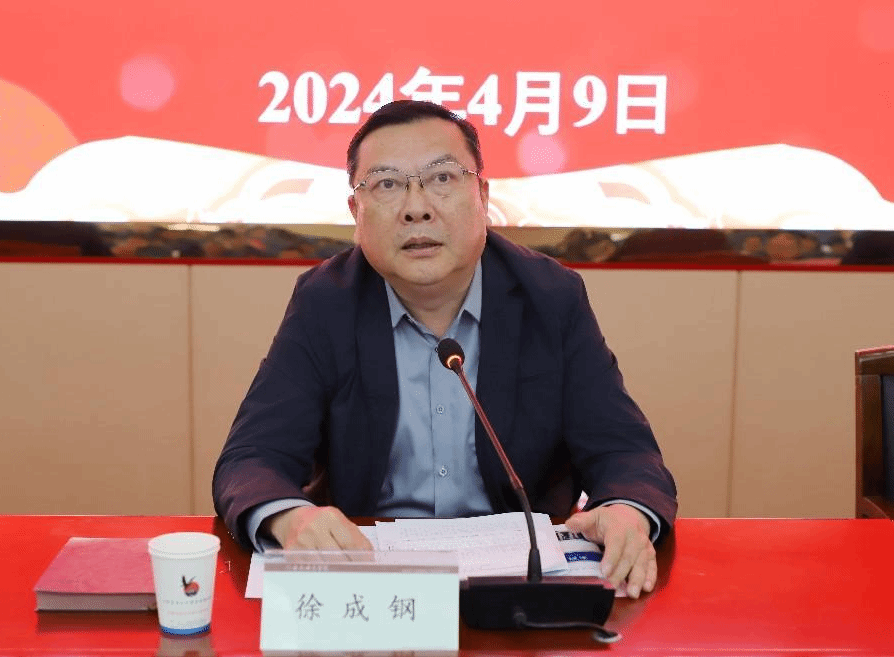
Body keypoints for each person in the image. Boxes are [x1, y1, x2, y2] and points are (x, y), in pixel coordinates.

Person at [213, 100, 677, 599]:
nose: (417, 208)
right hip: (373, 583)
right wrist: (291, 517)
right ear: (356, 213)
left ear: (483, 196)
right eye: (387, 184)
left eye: (441, 178)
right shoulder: (326, 302)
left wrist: (627, 511)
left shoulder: (549, 296)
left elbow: (624, 451)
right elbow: (252, 457)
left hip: (518, 589)